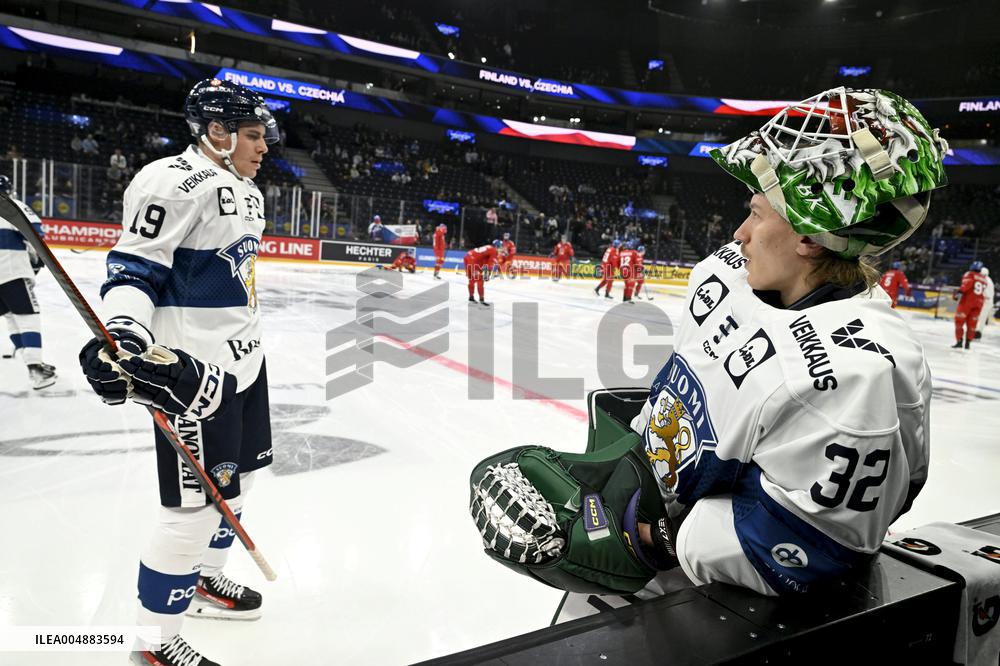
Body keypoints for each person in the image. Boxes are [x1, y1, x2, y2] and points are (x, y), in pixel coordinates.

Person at [474, 88, 950, 607]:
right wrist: (621, 470)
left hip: (704, 590)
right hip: (648, 490)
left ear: (810, 238)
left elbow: (808, 550)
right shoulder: (727, 270)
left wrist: (643, 536)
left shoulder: (856, 377)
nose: (740, 232)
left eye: (757, 212)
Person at [77, 78, 280, 666]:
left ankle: (201, 582)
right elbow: (135, 270)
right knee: (192, 509)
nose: (263, 145)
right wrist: (127, 338)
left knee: (239, 484)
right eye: (251, 134)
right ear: (215, 133)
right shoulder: (171, 181)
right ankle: (153, 641)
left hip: (247, 362)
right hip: (194, 375)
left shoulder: (246, 187)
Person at [0, 174, 57, 389]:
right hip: (11, 272)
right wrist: (36, 261)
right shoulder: (13, 206)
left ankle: (28, 358)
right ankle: (36, 370)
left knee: (10, 316)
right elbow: (34, 236)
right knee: (27, 318)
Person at [953, 260, 989, 349]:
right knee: (972, 324)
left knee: (959, 321)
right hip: (979, 303)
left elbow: (965, 286)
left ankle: (959, 341)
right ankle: (968, 343)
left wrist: (957, 294)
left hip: (968, 301)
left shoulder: (970, 274)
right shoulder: (984, 279)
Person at [464, 240, 500, 306]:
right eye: (500, 247)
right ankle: (481, 299)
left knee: (472, 280)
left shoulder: (489, 247)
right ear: (497, 246)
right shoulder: (494, 251)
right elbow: (490, 264)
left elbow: (484, 261)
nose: (501, 249)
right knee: (480, 280)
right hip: (473, 261)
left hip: (468, 257)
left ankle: (471, 297)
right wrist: (487, 274)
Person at [975, 267, 994, 339]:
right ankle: (977, 332)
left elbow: (985, 293)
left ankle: (977, 333)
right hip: (987, 301)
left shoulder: (986, 280)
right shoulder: (989, 280)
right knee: (982, 318)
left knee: (981, 317)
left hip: (986, 301)